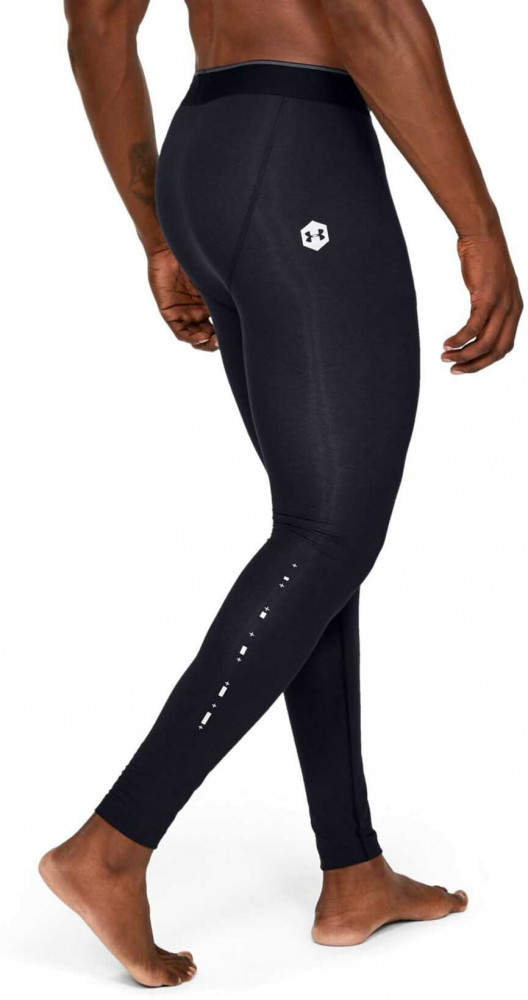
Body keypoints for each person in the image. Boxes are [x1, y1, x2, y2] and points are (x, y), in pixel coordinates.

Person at [39, 0, 522, 988]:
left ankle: (353, 871)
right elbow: (370, 12)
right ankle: (113, 846)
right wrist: (478, 225)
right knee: (329, 530)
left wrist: (160, 234)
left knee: (316, 529)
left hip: (208, 154)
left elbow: (95, 26)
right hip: (302, 152)